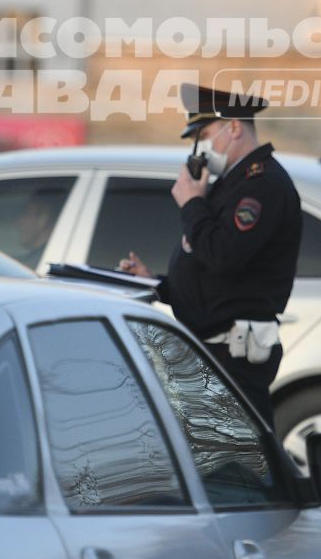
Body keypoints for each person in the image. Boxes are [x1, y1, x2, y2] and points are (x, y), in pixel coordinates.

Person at [118, 83, 302, 424]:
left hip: (234, 355)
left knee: (241, 462)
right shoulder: (231, 184)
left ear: (233, 127)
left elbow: (224, 255)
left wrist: (192, 204)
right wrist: (157, 283)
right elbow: (212, 276)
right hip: (211, 350)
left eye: (203, 134)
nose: (197, 147)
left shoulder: (261, 185)